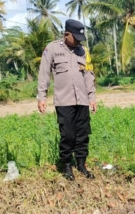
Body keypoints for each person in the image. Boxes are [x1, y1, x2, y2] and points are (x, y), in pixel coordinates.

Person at [37, 19, 97, 181]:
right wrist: (42, 96)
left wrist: (91, 97)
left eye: (80, 38)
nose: (78, 41)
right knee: (68, 135)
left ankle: (81, 164)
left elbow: (89, 75)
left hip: (82, 100)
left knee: (83, 134)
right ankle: (67, 166)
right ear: (66, 34)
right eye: (75, 37)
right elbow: (44, 74)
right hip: (64, 101)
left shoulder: (83, 51)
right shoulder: (52, 49)